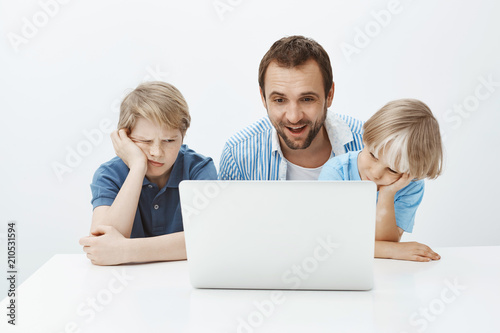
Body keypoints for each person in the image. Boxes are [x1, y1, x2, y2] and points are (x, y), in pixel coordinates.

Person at [79, 81, 217, 265]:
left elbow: (208, 239)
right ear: (125, 138)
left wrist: (124, 250)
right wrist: (137, 166)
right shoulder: (108, 174)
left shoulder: (198, 169)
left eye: (169, 140)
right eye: (145, 141)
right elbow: (102, 247)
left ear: (182, 136)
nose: (157, 152)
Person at [218, 35, 364, 181]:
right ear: (263, 97)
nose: (294, 117)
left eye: (307, 99)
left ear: (329, 95)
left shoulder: (368, 145)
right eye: (280, 100)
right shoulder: (237, 156)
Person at [319, 99, 443, 262]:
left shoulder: (410, 185)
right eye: (373, 155)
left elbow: (387, 242)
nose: (376, 173)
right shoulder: (336, 172)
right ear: (365, 138)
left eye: (392, 170)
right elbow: (329, 245)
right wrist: (393, 251)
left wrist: (387, 195)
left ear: (411, 173)